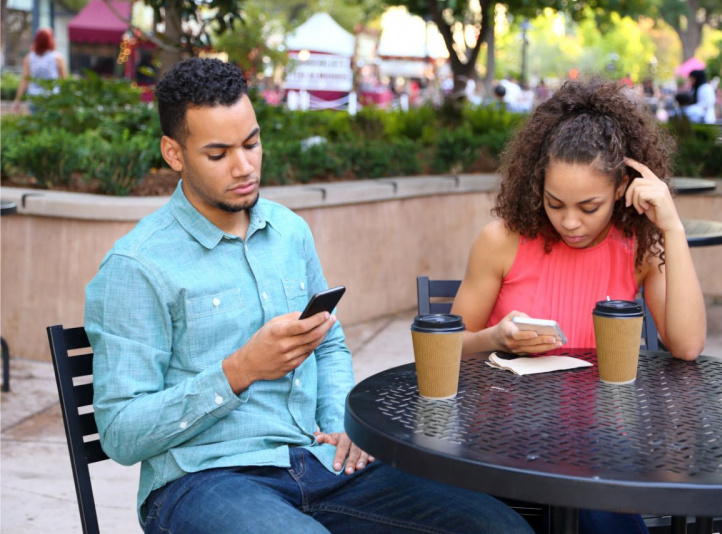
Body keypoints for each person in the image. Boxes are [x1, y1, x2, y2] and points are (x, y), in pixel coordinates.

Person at [84, 57, 533, 534]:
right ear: (174, 153)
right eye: (218, 154)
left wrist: (340, 421)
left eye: (252, 144)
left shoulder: (288, 232)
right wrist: (240, 370)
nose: (244, 166)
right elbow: (120, 433)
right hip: (205, 479)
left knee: (498, 527)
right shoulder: (138, 266)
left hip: (319, 463)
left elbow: (331, 343)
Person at [451, 79, 706, 531]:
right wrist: (496, 338)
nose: (570, 222)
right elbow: (444, 350)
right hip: (506, 436)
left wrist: (672, 229)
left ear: (623, 189)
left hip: (605, 438)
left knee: (595, 487)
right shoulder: (501, 241)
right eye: (555, 204)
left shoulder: (637, 247)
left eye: (590, 207)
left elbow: (686, 346)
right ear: (537, 187)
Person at [12, 27, 66, 113]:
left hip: (34, 99)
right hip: (52, 99)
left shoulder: (29, 58)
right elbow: (64, 82)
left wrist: (17, 100)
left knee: (35, 125)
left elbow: (24, 80)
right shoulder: (58, 58)